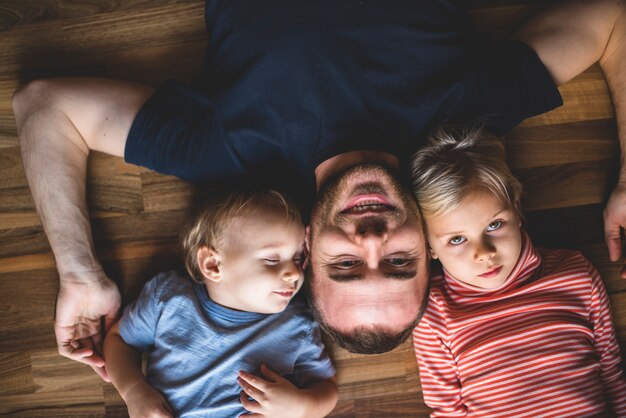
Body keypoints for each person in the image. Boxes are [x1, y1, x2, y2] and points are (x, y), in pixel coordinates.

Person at [11, 0, 626, 377]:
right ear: (431, 247)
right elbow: (610, 21)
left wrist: (79, 272)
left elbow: (46, 107)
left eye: (346, 266)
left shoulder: (229, 156)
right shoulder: (467, 115)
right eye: (400, 261)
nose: (371, 238)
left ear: (305, 249)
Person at [410, 126, 626, 417]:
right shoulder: (435, 312)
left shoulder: (576, 275)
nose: (484, 253)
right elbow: (447, 409)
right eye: (456, 239)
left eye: (495, 225)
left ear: (517, 208)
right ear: (429, 247)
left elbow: (611, 368)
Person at [103, 187, 337, 418]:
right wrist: (134, 391)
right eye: (272, 260)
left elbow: (326, 387)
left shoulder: (298, 325)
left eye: (298, 258)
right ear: (213, 265)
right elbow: (119, 340)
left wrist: (302, 408)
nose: (295, 273)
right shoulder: (168, 299)